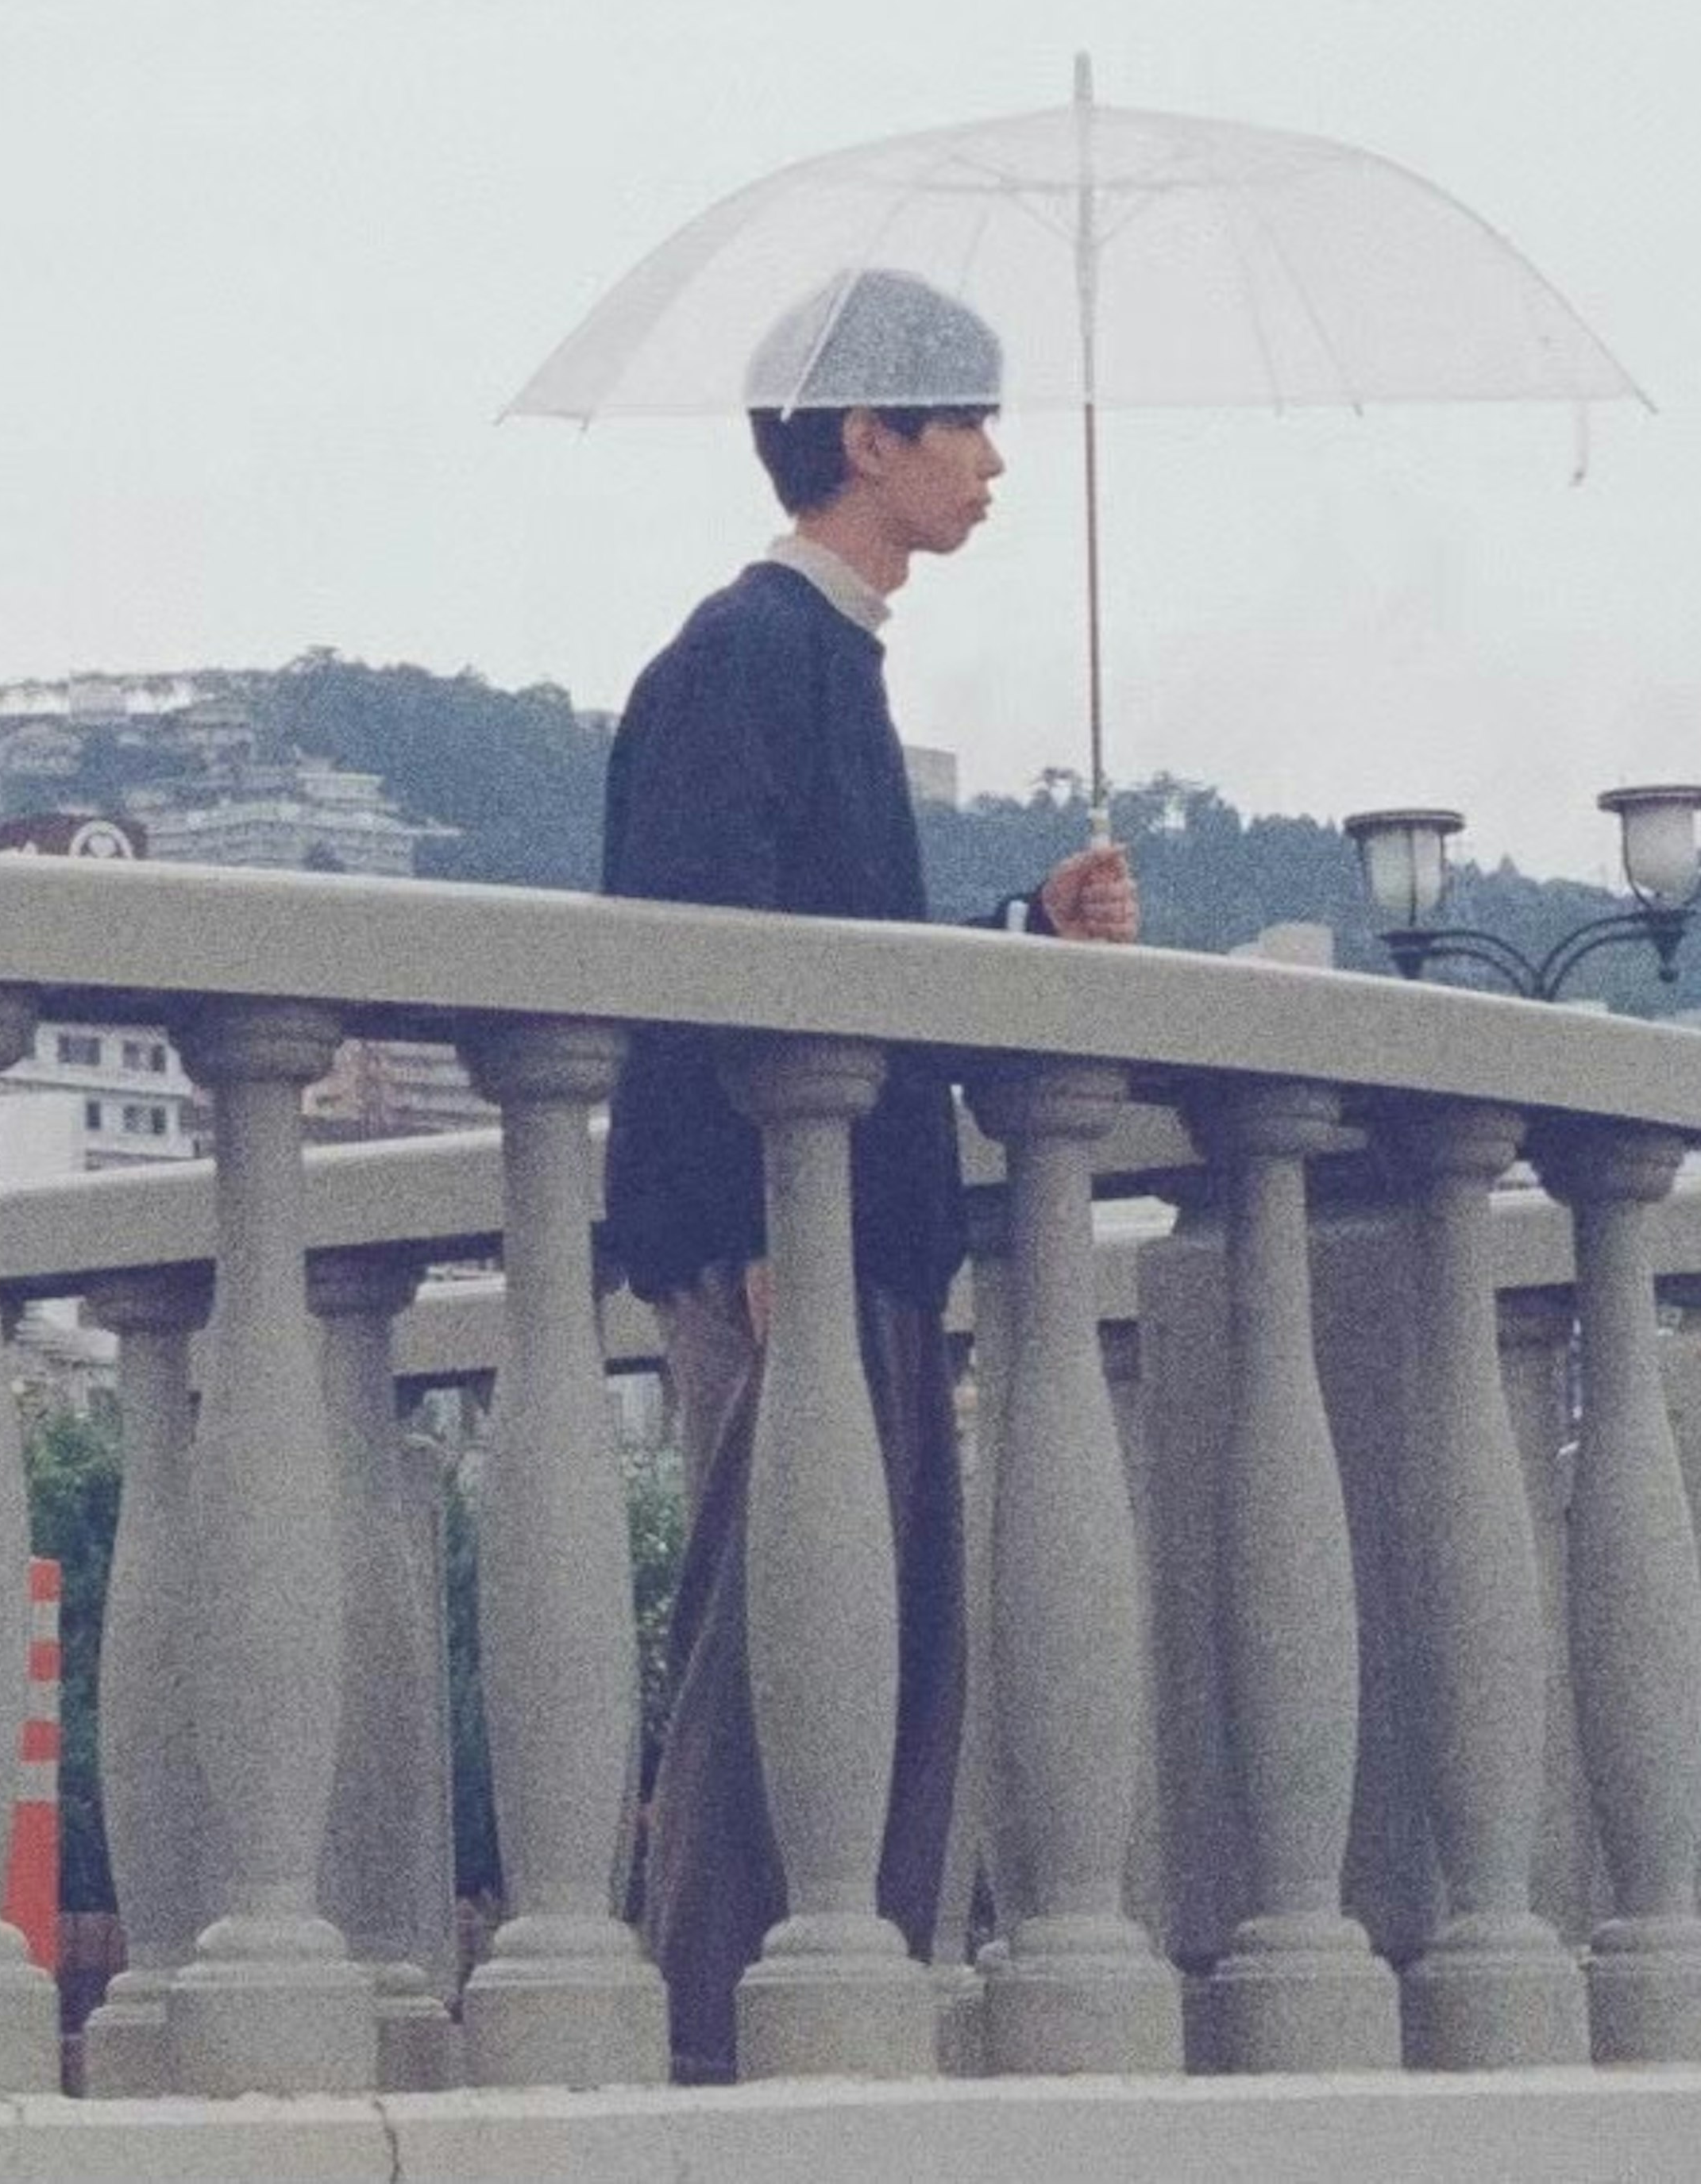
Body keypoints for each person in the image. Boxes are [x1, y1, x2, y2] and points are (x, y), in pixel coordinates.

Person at [598, 265, 1136, 2078]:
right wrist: (758, 1231)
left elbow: (846, 951)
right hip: (796, 1248)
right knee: (787, 1671)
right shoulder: (747, 658)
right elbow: (698, 970)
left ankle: (807, 2037)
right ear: (867, 436)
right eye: (963, 421)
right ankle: (719, 2053)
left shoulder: (814, 658)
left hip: (856, 1242)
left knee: (875, 1655)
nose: (991, 460)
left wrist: (1016, 924)